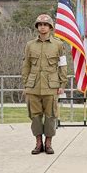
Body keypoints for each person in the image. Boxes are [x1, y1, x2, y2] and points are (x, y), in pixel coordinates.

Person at [21, 14, 67, 155]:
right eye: (40, 24)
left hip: (51, 86)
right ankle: (38, 142)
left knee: (51, 116)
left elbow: (62, 65)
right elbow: (26, 65)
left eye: (45, 25)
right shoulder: (30, 45)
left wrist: (62, 84)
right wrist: (26, 84)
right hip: (33, 86)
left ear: (50, 27)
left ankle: (48, 143)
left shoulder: (58, 45)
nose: (42, 27)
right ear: (37, 27)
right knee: (34, 116)